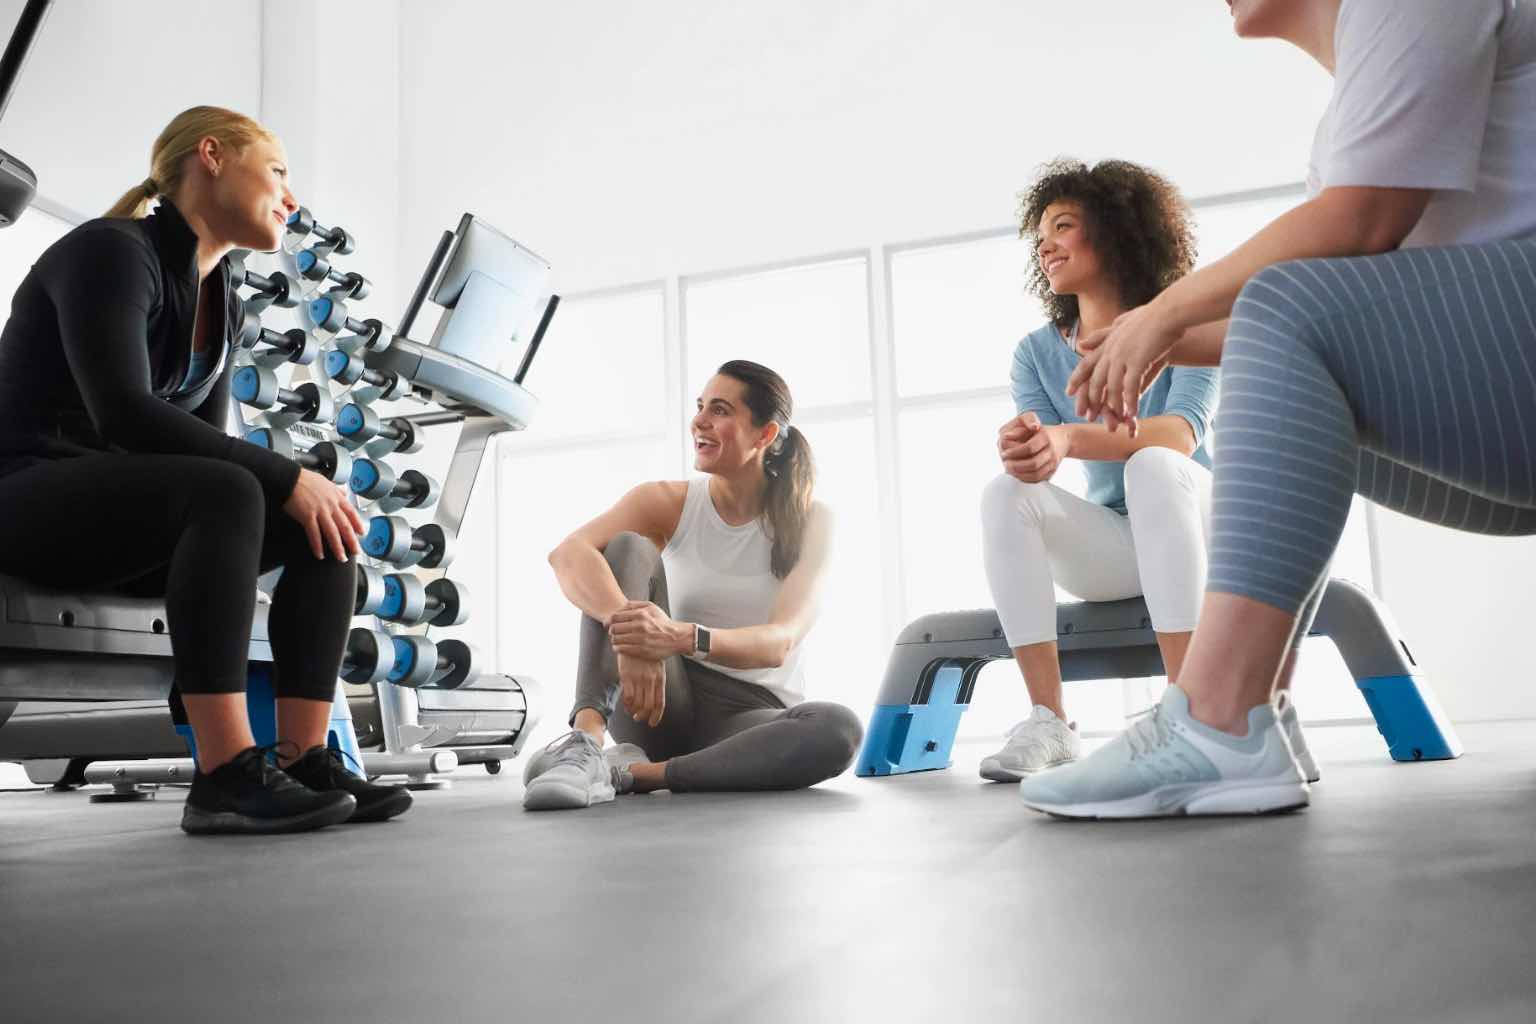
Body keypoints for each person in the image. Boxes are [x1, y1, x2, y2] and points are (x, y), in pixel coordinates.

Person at [1018, 0, 1536, 818]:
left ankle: (1217, 714)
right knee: (1307, 375)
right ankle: (1254, 713)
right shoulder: (1347, 126)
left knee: (1283, 309)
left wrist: (1164, 314)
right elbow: (1320, 321)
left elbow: (1358, 227)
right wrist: (1154, 334)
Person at [0, 106, 411, 834]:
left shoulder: (223, 300)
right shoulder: (111, 251)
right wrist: (284, 477)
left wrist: (292, 491)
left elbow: (197, 439)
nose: (291, 197)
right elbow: (124, 414)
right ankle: (223, 773)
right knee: (237, 488)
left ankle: (304, 756)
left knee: (326, 528)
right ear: (212, 157)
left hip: (111, 522)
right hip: (24, 495)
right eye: (279, 172)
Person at [981, 160, 1324, 782]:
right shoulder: (1034, 352)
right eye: (1040, 237)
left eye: (1062, 226)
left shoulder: (1184, 323)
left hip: (1203, 522)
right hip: (1120, 541)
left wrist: (1068, 437)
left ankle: (1189, 712)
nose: (1047, 245)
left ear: (1113, 230)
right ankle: (1048, 719)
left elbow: (1183, 433)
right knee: (1007, 493)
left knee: (1156, 465)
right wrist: (1029, 447)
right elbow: (1042, 452)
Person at [522, 360, 864, 810]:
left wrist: (677, 636)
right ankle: (585, 743)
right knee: (624, 548)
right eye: (700, 406)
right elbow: (567, 554)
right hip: (660, 694)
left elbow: (778, 642)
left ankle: (631, 774)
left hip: (747, 715)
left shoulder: (812, 522)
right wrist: (631, 637)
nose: (699, 421)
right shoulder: (664, 501)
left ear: (765, 435)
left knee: (837, 728)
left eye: (720, 410)